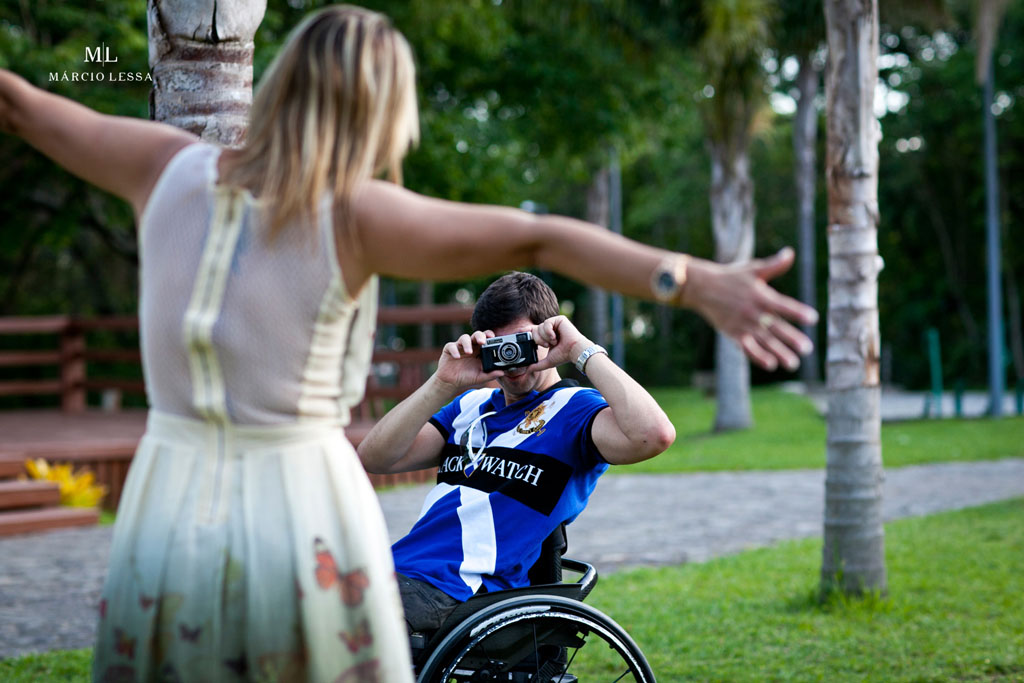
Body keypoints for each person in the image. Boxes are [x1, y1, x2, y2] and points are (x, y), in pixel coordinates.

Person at [0, 4, 817, 682]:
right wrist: (692, 281)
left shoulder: (165, 166)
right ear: (384, 113)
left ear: (279, 82)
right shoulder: (354, 215)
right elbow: (544, 236)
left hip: (170, 492)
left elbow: (24, 104)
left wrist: (581, 350)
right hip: (300, 496)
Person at [357, 272, 677, 634]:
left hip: (462, 591)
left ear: (550, 334)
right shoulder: (469, 406)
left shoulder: (574, 410)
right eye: (499, 347)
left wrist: (579, 350)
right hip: (399, 571)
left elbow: (656, 435)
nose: (512, 361)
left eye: (521, 342)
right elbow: (375, 458)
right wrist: (441, 383)